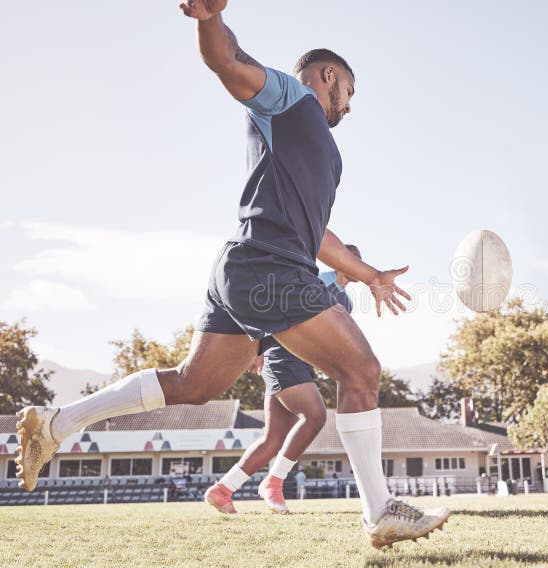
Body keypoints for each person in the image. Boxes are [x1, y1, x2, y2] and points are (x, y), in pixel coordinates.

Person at [14, 0, 448, 548]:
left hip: (242, 267)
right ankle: (380, 510)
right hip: (269, 267)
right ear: (329, 76)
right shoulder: (292, 100)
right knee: (360, 370)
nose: (350, 106)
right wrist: (209, 18)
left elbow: (318, 235)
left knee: (195, 384)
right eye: (350, 93)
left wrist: (368, 274)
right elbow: (227, 61)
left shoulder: (316, 149)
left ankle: (56, 425)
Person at [204, 247, 360, 515]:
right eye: (355, 261)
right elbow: (273, 309)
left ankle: (223, 490)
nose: (359, 267)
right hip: (282, 358)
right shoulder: (318, 280)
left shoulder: (346, 301)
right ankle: (274, 482)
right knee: (315, 415)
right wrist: (257, 348)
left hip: (301, 364)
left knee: (273, 439)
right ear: (341, 262)